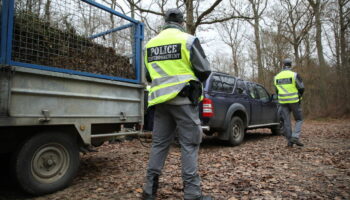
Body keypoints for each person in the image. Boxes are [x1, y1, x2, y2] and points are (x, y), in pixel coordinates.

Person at [142, 8, 212, 200]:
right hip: (183, 100)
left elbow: (149, 75)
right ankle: (192, 194)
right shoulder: (187, 40)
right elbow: (205, 70)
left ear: (164, 22)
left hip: (160, 102)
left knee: (159, 144)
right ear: (181, 22)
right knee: (189, 144)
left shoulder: (150, 44)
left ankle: (149, 190)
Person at [274, 59, 305, 147]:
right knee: (299, 119)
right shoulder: (294, 75)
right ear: (290, 65)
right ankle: (295, 137)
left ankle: (289, 142)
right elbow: (302, 88)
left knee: (286, 122)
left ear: (282, 65)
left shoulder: (276, 77)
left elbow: (276, 91)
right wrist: (299, 97)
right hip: (294, 101)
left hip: (283, 101)